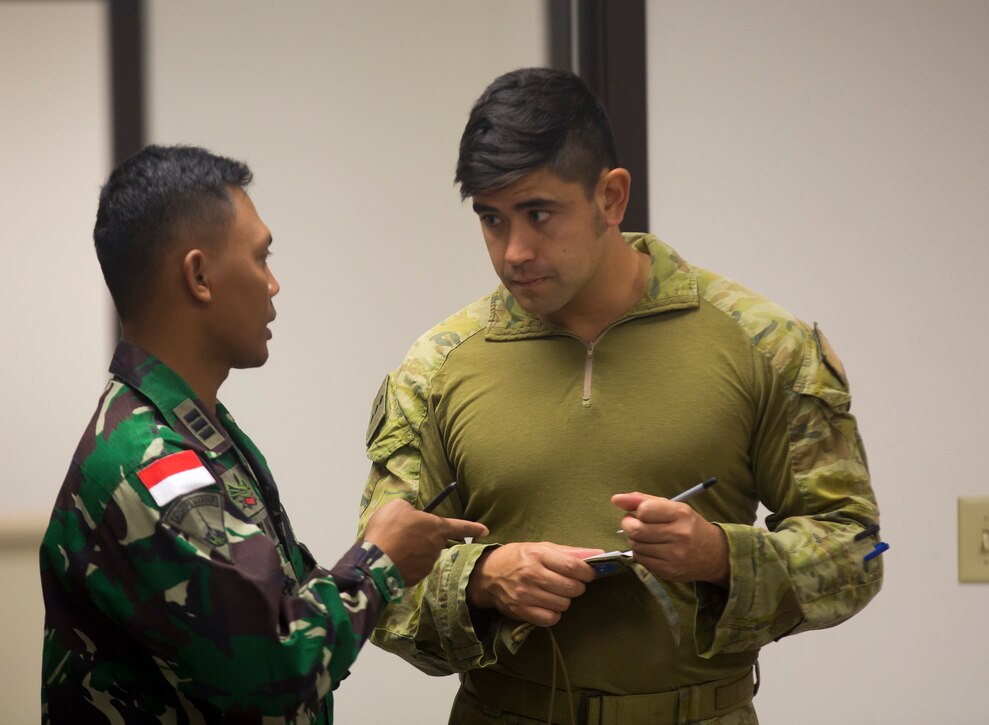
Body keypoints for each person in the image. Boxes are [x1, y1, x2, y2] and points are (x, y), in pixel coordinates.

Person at [359, 68, 883, 725]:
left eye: (539, 214)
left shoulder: (763, 343)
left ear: (611, 197)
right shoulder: (435, 368)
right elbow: (376, 583)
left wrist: (721, 556)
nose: (514, 250)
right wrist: (483, 578)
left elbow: (856, 550)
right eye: (492, 220)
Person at [39, 144, 487, 723]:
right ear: (199, 275)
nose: (273, 285)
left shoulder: (197, 430)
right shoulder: (147, 463)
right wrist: (381, 562)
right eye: (260, 258)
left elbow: (271, 605)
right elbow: (274, 671)